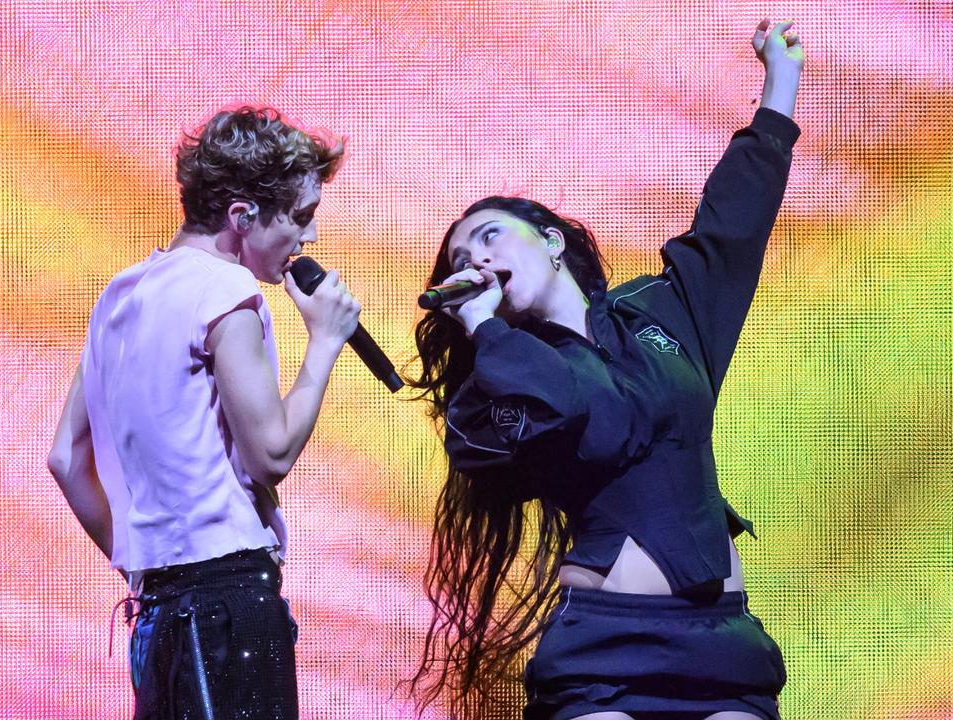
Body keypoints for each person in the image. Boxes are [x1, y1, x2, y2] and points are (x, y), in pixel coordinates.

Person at [408, 20, 805, 720]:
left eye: (489, 235)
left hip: (721, 646)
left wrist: (781, 83)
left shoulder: (659, 312)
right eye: (459, 258)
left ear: (552, 241)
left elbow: (730, 228)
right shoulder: (486, 394)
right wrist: (486, 330)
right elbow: (569, 404)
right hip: (602, 650)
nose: (474, 258)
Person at [47, 106, 360, 719]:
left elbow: (65, 457)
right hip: (228, 603)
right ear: (242, 216)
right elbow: (270, 454)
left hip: (158, 611)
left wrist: (146, 564)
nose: (310, 239)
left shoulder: (123, 292)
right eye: (300, 218)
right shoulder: (226, 294)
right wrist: (324, 342)